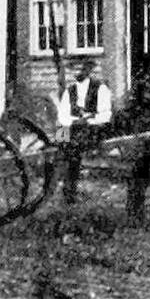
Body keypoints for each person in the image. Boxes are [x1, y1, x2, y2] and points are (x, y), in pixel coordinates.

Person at [54, 58, 113, 206]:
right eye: (74, 69)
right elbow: (63, 114)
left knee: (73, 147)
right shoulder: (70, 90)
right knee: (60, 139)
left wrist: (88, 120)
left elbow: (105, 114)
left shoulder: (100, 88)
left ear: (88, 71)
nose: (77, 72)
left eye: (80, 69)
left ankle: (70, 187)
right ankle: (61, 177)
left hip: (94, 127)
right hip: (75, 127)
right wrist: (73, 122)